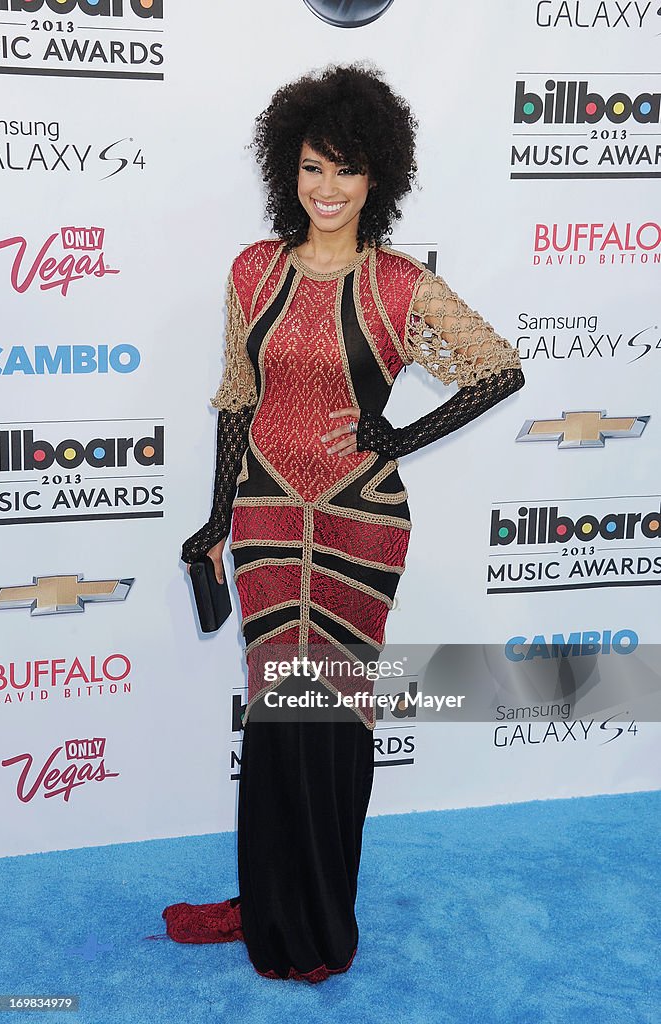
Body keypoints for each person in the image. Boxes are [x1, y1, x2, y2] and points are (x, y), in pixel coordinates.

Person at [159, 62, 525, 983]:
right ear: (290, 167)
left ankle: (320, 924)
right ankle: (264, 904)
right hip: (265, 515)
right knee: (278, 718)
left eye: (346, 170)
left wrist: (397, 431)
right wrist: (214, 520)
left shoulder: (401, 286)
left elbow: (498, 370)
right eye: (313, 168)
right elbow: (239, 397)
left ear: (378, 179)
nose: (327, 189)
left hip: (362, 521)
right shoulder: (253, 270)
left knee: (334, 720)